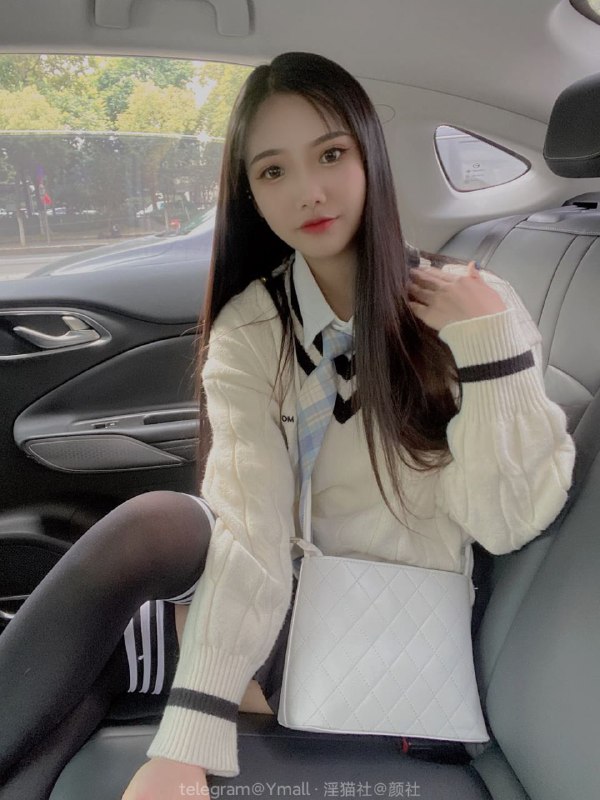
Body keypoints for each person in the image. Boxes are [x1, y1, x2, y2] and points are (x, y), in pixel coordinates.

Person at [0, 52, 575, 800]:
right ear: (252, 194)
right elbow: (253, 531)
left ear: (369, 156)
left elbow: (508, 521)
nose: (309, 191)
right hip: (276, 607)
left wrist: (489, 350)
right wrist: (188, 739)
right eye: (274, 171)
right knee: (104, 621)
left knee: (99, 630)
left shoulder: (474, 306)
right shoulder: (251, 330)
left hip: (384, 644)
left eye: (330, 155)